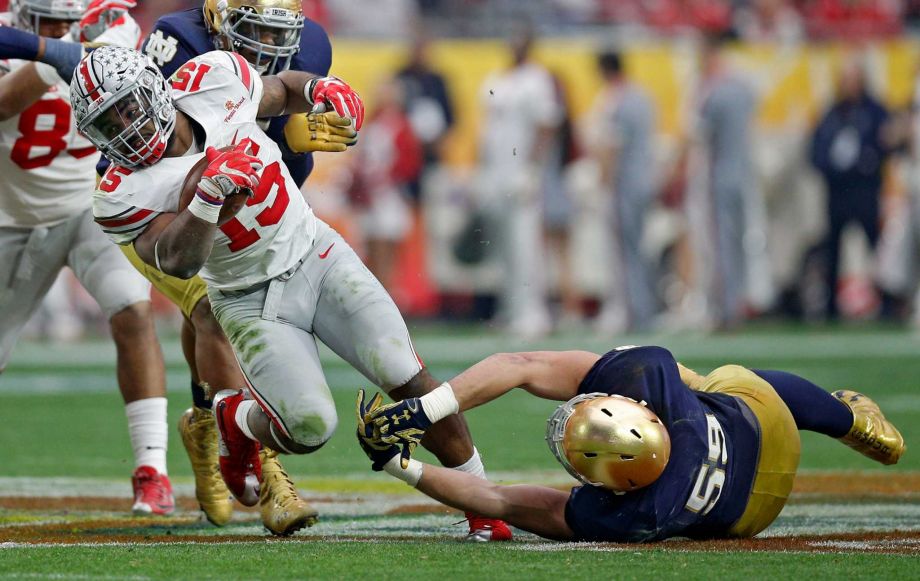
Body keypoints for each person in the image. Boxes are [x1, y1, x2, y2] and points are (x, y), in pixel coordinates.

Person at [71, 45, 512, 541]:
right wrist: (208, 198)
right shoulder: (118, 193)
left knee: (405, 373)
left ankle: (482, 501)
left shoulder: (212, 79)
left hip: (317, 253)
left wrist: (320, 89)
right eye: (108, 125)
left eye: (126, 109)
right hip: (249, 299)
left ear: (153, 88)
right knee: (308, 426)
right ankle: (235, 419)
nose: (124, 129)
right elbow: (176, 260)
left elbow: (282, 91)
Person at [0, 0, 346, 535]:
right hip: (142, 202)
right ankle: (249, 454)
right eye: (251, 28)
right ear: (216, 19)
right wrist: (51, 52)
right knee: (211, 310)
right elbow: (146, 146)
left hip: (222, 201)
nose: (265, 45)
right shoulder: (173, 39)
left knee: (189, 315)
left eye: (276, 32)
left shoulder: (310, 47)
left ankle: (205, 435)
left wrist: (294, 141)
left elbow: (273, 162)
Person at [356, 345, 904, 542]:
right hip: (765, 433)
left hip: (749, 516)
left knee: (711, 384)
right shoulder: (654, 380)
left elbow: (502, 499)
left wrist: (402, 464)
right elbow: (523, 368)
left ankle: (843, 418)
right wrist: (416, 430)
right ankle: (846, 418)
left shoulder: (637, 513)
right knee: (725, 383)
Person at [0, 0, 175, 517]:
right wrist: (51, 54)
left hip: (90, 206)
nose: (57, 27)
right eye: (46, 19)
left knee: (132, 309)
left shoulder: (113, 27)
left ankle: (152, 469)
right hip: (11, 218)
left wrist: (49, 50)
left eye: (64, 18)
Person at [477, 25, 562, 339]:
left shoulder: (537, 79)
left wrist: (533, 169)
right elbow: (487, 130)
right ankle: (510, 308)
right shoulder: (498, 80)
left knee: (525, 245)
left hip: (521, 173)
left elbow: (546, 126)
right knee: (504, 247)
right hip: (497, 173)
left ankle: (533, 313)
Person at [810, 57, 892, 321]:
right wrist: (830, 169)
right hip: (838, 190)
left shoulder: (874, 111)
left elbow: (885, 142)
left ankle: (888, 301)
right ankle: (830, 306)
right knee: (833, 249)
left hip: (865, 189)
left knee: (876, 247)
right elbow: (816, 149)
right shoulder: (833, 112)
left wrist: (866, 163)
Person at [590, 50, 659, 333]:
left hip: (624, 184)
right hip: (643, 179)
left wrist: (602, 183)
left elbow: (612, 147)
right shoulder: (642, 96)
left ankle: (631, 311)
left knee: (623, 251)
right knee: (637, 247)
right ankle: (643, 308)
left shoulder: (617, 100)